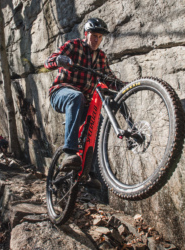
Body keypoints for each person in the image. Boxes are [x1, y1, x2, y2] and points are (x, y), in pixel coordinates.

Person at [44, 18, 120, 187]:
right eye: (94, 35)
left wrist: (123, 86)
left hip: (83, 104)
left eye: (100, 37)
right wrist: (59, 61)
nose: (97, 40)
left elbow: (109, 78)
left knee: (97, 120)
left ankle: (88, 171)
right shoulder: (73, 46)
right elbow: (49, 61)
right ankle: (70, 152)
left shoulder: (101, 57)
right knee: (76, 96)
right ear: (86, 34)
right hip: (61, 93)